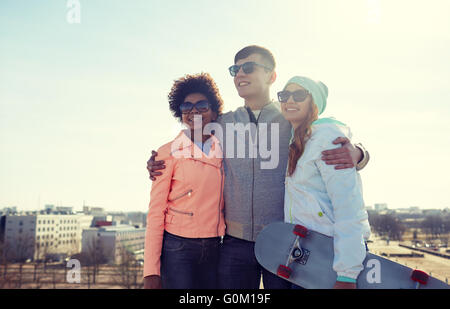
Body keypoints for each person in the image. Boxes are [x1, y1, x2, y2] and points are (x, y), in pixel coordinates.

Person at [147, 45, 370, 289]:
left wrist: (359, 153)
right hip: (234, 245)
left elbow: (328, 132)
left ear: (271, 76)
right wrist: (157, 159)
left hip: (281, 241)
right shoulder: (224, 123)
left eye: (248, 68)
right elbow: (193, 138)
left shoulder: (290, 119)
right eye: (235, 69)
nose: (240, 74)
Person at [279, 76, 371, 289]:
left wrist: (347, 275)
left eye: (299, 95)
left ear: (315, 103)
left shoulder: (328, 139)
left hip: (330, 258)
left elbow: (349, 208)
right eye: (284, 95)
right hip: (307, 257)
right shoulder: (299, 141)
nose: (290, 100)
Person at [143, 72, 226, 289]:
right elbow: (155, 214)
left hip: (216, 247)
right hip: (178, 249)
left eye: (202, 104)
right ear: (180, 113)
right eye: (186, 106)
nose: (194, 111)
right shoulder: (166, 153)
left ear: (215, 110)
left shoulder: (227, 151)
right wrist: (151, 271)